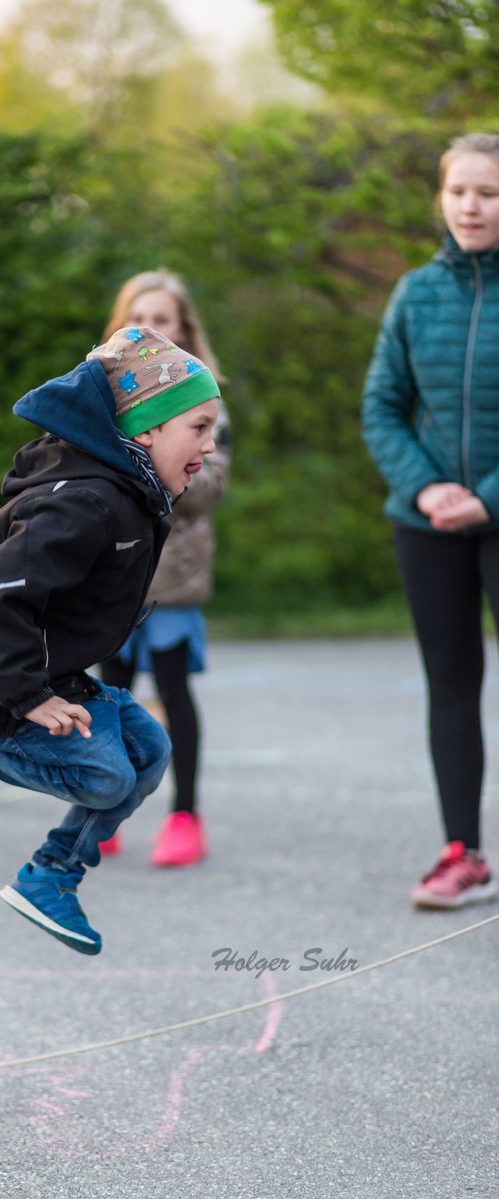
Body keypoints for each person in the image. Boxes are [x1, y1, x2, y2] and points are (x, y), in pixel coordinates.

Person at [0, 325, 221, 955]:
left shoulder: (129, 490)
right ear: (147, 429)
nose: (209, 445)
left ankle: (51, 875)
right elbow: (3, 595)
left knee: (150, 752)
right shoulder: (84, 501)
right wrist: (28, 696)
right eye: (199, 427)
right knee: (106, 776)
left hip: (48, 673)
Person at [362, 132, 499, 911]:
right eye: (458, 191)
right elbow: (382, 407)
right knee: (451, 686)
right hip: (430, 526)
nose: (470, 207)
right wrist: (426, 490)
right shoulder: (415, 294)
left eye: (488, 193)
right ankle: (462, 854)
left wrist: (491, 497)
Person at [98, 270, 231, 867]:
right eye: (138, 318)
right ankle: (103, 808)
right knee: (109, 695)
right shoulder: (103, 396)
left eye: (163, 319)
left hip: (171, 580)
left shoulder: (205, 399)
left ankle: (185, 815)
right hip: (113, 577)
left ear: (184, 331)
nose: (150, 329)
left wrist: (158, 462)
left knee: (175, 694)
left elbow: (209, 487)